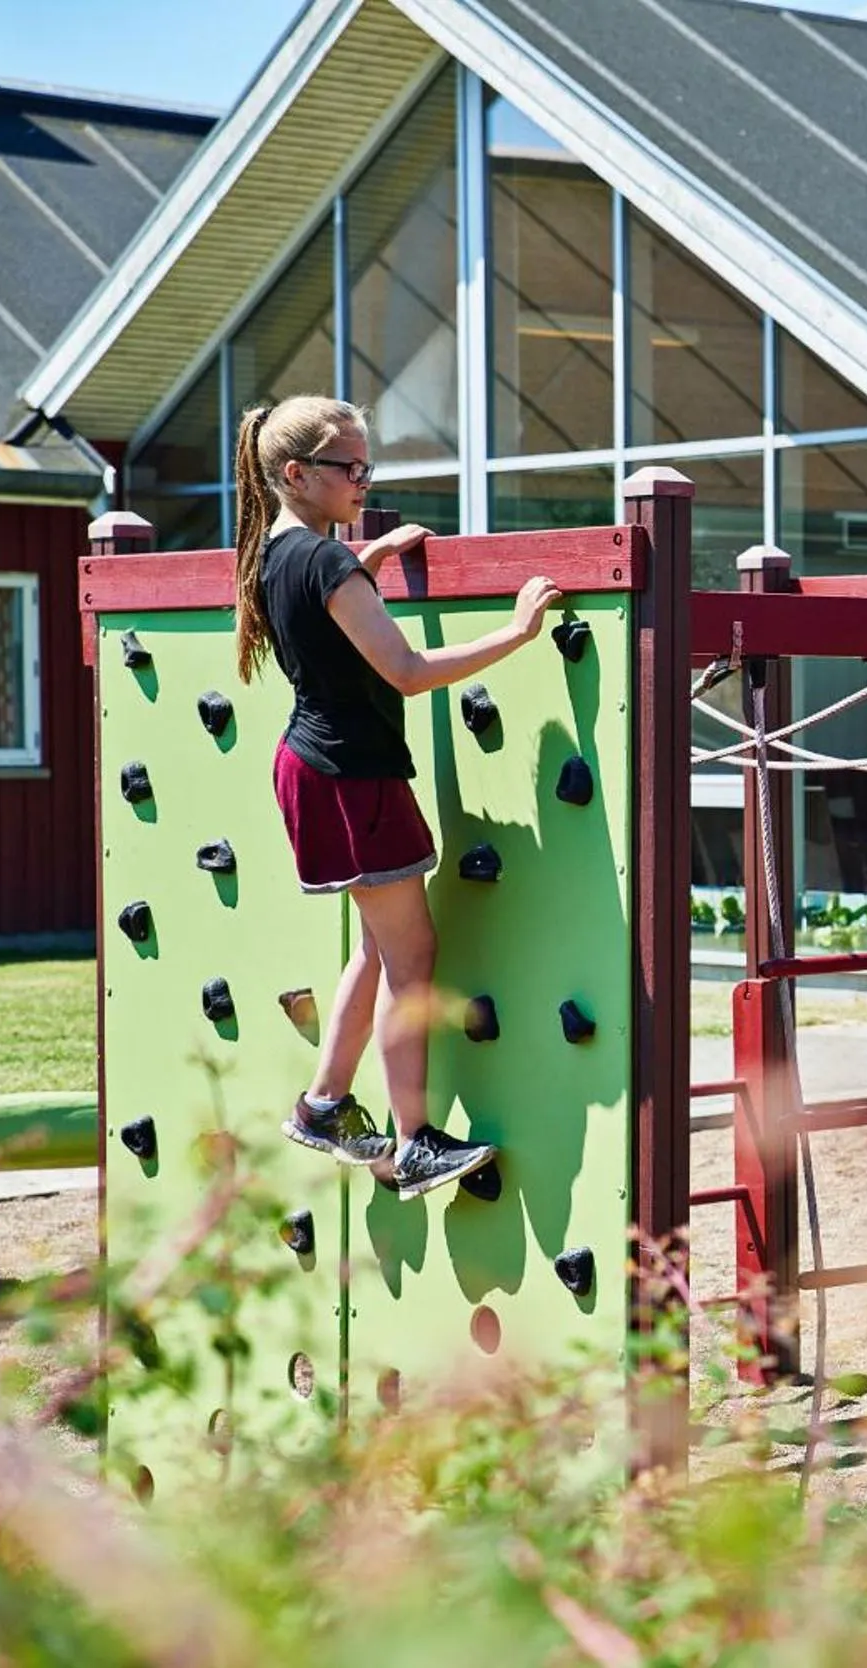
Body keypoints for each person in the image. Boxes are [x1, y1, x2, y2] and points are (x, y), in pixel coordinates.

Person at [233, 396, 559, 1200]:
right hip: (354, 777)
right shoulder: (324, 562)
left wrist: (370, 556)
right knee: (413, 959)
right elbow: (406, 673)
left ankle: (322, 1106)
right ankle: (412, 1141)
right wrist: (516, 634)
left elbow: (327, 618)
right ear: (296, 474)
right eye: (350, 468)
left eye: (367, 465)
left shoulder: (276, 554)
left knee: (380, 949)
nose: (363, 479)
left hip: (313, 768)